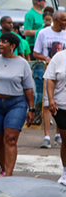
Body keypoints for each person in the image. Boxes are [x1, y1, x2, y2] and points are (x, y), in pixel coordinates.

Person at [0, 33, 35, 177]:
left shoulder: (22, 63)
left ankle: (8, 175)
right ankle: (3, 169)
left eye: (4, 42)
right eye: (0, 42)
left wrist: (31, 109)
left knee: (10, 138)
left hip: (16, 104)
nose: (0, 44)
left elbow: (28, 88)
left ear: (13, 46)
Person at [34, 10, 66, 148]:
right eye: (64, 20)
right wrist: (47, 58)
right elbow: (36, 52)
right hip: (47, 71)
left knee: (60, 103)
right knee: (47, 104)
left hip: (62, 72)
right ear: (56, 20)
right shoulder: (43, 33)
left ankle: (59, 134)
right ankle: (47, 136)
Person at [44, 48, 66, 184]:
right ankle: (65, 172)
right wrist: (51, 99)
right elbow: (50, 79)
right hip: (62, 105)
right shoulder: (59, 57)